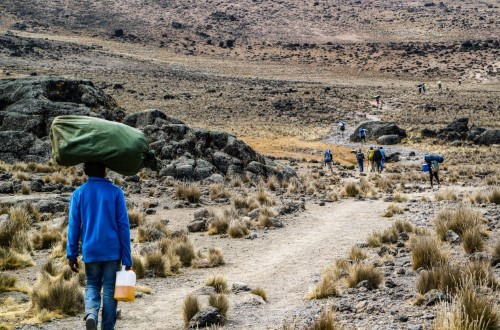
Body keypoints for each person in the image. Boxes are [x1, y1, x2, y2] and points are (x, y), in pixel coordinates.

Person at [67, 162, 132, 330]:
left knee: (92, 285)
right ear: (105, 170)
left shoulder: (78, 193)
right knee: (110, 290)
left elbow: (74, 226)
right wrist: (127, 258)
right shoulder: (116, 192)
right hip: (112, 251)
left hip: (91, 250)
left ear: (86, 171)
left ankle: (91, 314)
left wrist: (71, 254)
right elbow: (123, 226)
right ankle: (107, 327)